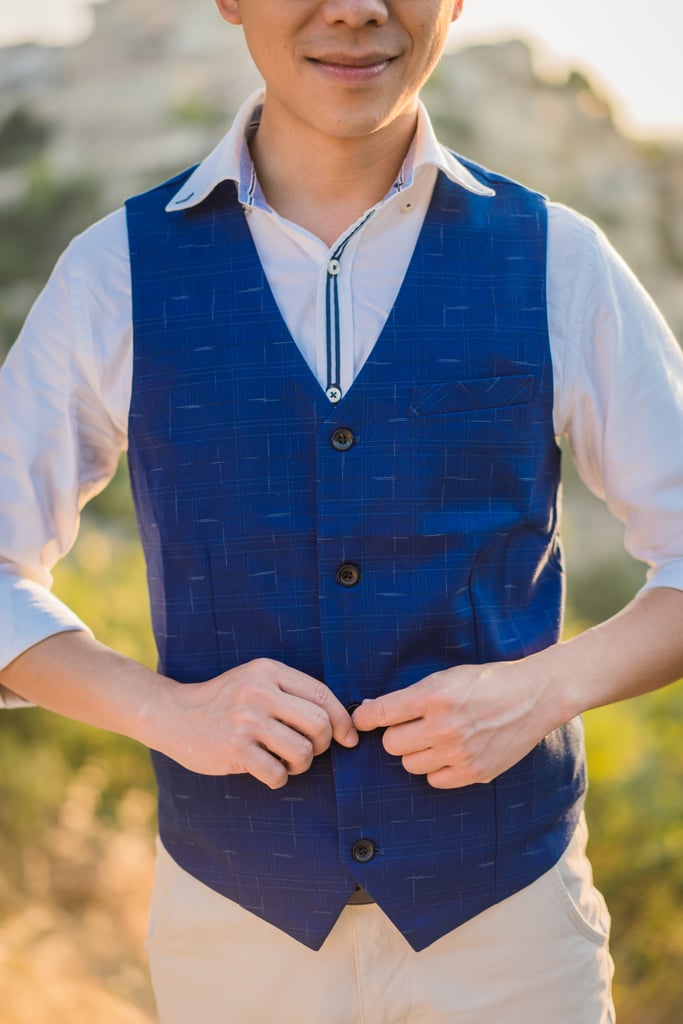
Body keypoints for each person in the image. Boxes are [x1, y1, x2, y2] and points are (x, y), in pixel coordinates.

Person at [1, 0, 682, 1020]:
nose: (356, 8)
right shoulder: (114, 273)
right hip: (234, 935)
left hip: (508, 933)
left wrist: (542, 690)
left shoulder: (556, 257)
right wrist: (167, 711)